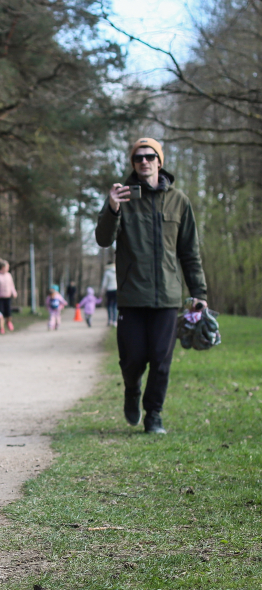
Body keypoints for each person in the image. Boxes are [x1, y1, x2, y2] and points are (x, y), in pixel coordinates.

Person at [95, 137, 207, 434]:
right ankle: (131, 390)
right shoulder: (122, 197)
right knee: (132, 359)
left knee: (160, 360)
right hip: (132, 295)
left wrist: (199, 293)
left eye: (149, 156)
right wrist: (112, 209)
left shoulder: (179, 201)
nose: (143, 161)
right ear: (133, 163)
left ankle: (154, 415)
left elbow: (189, 252)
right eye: (138, 157)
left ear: (159, 161)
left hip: (168, 296)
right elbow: (104, 239)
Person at [0, 259, 17, 332]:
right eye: (7, 267)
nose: (8, 268)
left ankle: (8, 322)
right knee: (0, 313)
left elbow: (12, 285)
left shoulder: (8, 275)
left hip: (7, 296)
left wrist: (14, 292)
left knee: (8, 312)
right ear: (2, 267)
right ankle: (1, 327)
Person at [100, 261, 118, 326]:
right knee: (115, 306)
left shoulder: (107, 272)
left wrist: (102, 292)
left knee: (109, 306)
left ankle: (110, 320)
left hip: (109, 290)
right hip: (116, 290)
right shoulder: (117, 271)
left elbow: (104, 284)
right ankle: (115, 321)